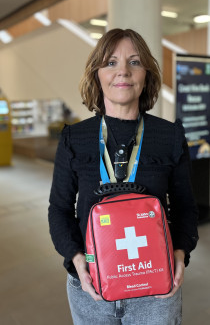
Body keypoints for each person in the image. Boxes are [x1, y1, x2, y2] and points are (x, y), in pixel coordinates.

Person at [48, 28, 199, 325]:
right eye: (111, 62)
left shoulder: (169, 137)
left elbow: (185, 206)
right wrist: (77, 262)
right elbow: (60, 209)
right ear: (97, 74)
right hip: (91, 289)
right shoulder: (74, 139)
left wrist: (180, 254)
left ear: (147, 74)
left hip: (155, 293)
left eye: (134, 62)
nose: (123, 72)